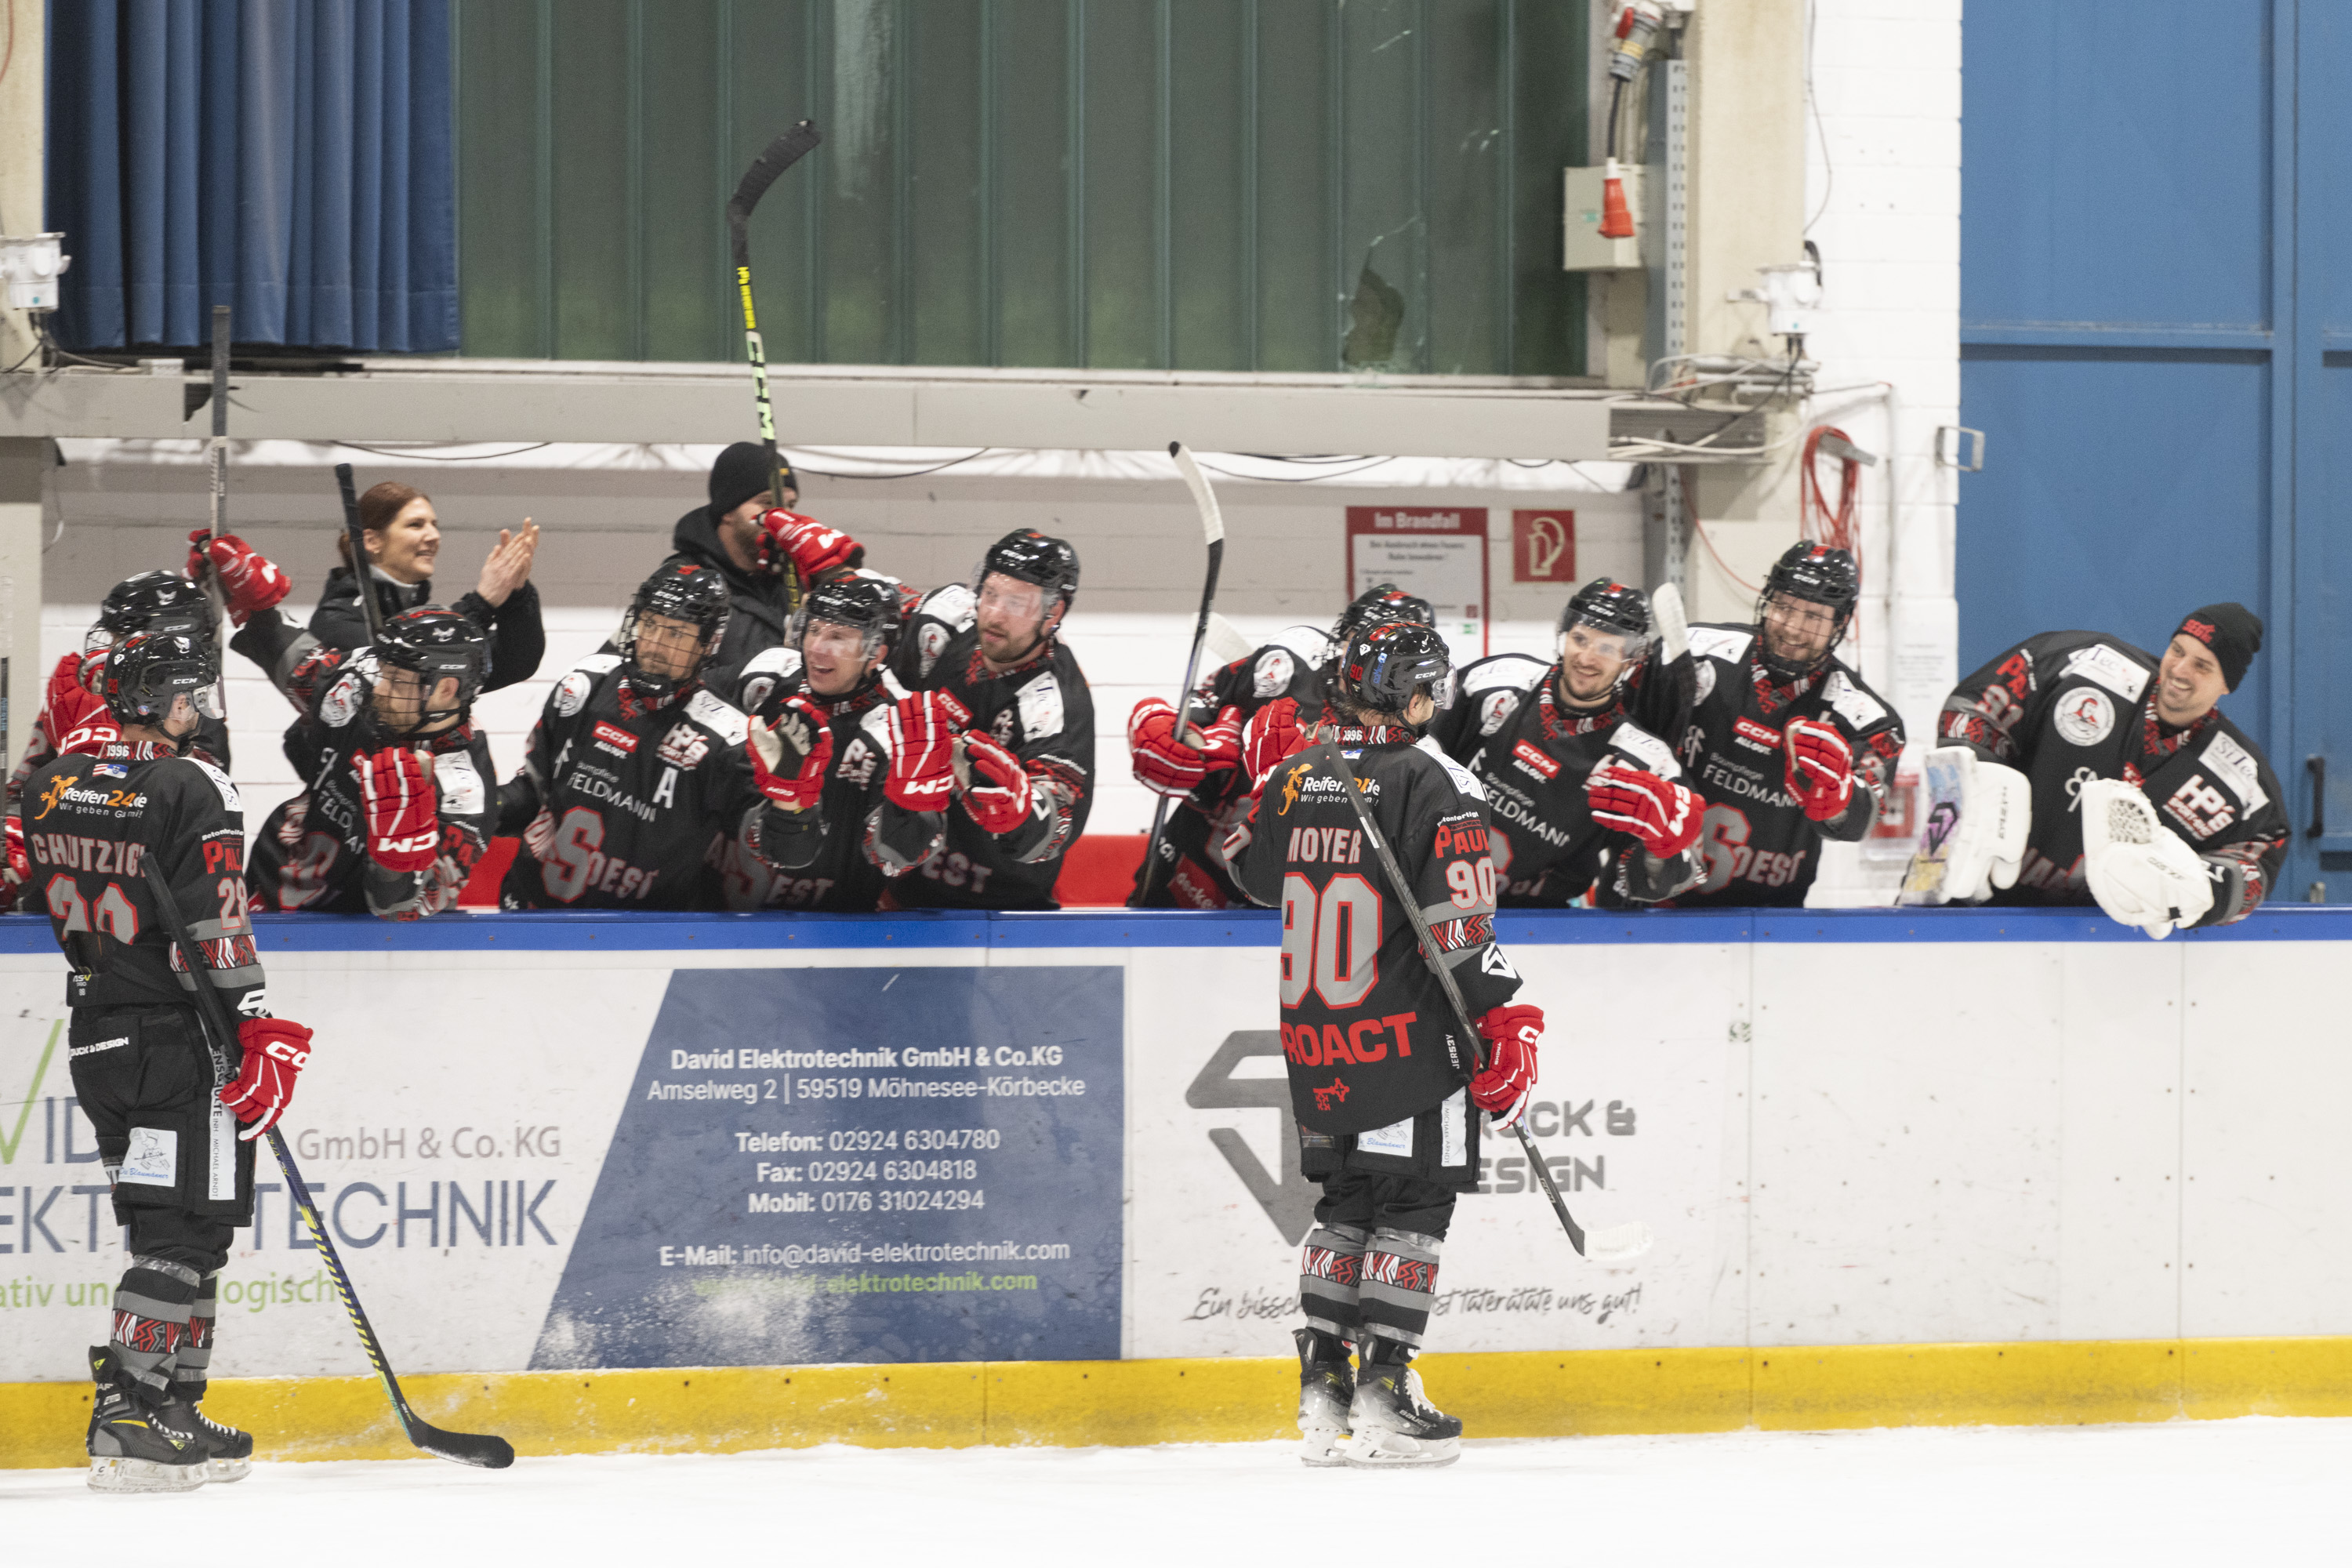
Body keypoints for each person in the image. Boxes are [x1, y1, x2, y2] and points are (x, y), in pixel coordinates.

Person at [1232, 620, 1543, 1468]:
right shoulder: (1438, 778)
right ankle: (1386, 1391)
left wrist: (1268, 786)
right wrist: (1506, 1017)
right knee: (1411, 1204)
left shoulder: (1297, 773)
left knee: (1345, 1204)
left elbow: (1254, 879)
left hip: (1319, 1037)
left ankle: (1323, 1388)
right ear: (1412, 694)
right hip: (1407, 1034)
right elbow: (1463, 929)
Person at [20, 630, 314, 1492]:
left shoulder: (52, 781)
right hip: (182, 1037)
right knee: (182, 1229)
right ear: (158, 698)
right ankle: (130, 1410)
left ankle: (174, 1406)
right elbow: (216, 927)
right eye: (191, 692)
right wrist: (254, 1021)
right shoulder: (194, 781)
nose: (203, 707)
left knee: (182, 1227)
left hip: (98, 1033)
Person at [1929, 603, 2286, 932]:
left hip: (2103, 944)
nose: (2179, 669)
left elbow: (2260, 857)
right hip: (1966, 899)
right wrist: (1977, 772)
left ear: (2227, 684)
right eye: (2177, 650)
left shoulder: (2241, 777)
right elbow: (1977, 703)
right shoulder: (2086, 664)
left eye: (2202, 665)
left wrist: (2207, 890)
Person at [497, 561, 832, 909]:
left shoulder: (727, 739)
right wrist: (483, 807)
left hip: (644, 939)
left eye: (676, 633)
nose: (655, 644)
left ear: (707, 644)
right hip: (531, 910)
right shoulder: (584, 684)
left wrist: (791, 801)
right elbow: (534, 793)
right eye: (650, 624)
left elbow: (787, 855)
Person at [1627, 543, 1904, 906]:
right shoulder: (1694, 653)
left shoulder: (1865, 717)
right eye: (1785, 607)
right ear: (1768, 600)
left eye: (1813, 617)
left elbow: (1861, 822)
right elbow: (1614, 736)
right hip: (1652, 899)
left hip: (1771, 919)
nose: (1793, 628)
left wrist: (1839, 798)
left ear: (1839, 623)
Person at [1127, 585, 1434, 909]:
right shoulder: (1293, 657)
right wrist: (1185, 737)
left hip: (1289, 901)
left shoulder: (1417, 744)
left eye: (1386, 661)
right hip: (1188, 859)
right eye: (1356, 642)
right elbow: (1210, 698)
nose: (1360, 662)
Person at [1431, 579, 1704, 906]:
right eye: (1580, 639)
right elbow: (1416, 760)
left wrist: (1662, 852)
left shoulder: (1645, 760)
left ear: (1631, 661)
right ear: (1565, 634)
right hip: (1433, 901)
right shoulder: (1495, 683)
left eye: (1606, 648)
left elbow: (1646, 886)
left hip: (1542, 923)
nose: (1587, 658)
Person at [880, 530, 1094, 910]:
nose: (994, 613)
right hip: (903, 881)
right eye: (991, 593)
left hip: (998, 911)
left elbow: (1059, 816)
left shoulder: (1057, 702)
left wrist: (1023, 814)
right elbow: (864, 611)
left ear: (1054, 612)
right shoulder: (949, 622)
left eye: (1016, 602)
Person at [241, 608, 499, 920]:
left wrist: (394, 866)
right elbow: (303, 668)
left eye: (398, 681)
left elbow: (401, 913)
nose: (380, 689)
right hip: (272, 880)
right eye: (383, 672)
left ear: (446, 689)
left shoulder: (465, 793)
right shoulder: (363, 681)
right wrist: (257, 605)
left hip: (359, 933)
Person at [6, 572, 238, 907]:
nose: (109, 648)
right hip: (69, 903)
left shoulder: (192, 710)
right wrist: (15, 849)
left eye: (121, 637)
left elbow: (173, 808)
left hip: (153, 905)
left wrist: (85, 749)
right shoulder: (80, 692)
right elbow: (21, 789)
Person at [720, 573, 911, 912]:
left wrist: (918, 814)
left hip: (828, 927)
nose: (817, 648)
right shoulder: (768, 676)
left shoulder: (898, 728)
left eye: (838, 636)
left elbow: (897, 856)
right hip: (723, 907)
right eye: (814, 630)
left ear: (876, 653)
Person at [654, 441, 866, 688]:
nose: (784, 518)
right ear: (728, 511)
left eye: (790, 506)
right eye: (768, 503)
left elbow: (862, 649)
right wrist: (770, 668)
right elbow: (662, 687)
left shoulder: (798, 578)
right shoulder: (683, 582)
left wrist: (836, 571)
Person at [308, 482, 544, 692]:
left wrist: (515, 592)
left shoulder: (413, 610)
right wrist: (482, 603)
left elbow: (516, 663)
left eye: (434, 524)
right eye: (416, 525)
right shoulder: (337, 619)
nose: (434, 535)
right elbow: (410, 673)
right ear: (372, 541)